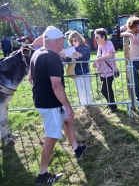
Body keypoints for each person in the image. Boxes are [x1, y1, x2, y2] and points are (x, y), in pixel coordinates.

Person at [28, 26, 87, 185]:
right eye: (61, 41)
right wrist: (68, 106)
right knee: (51, 138)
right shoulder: (52, 57)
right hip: (51, 103)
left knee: (68, 120)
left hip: (42, 100)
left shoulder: (37, 53)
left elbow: (30, 79)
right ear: (55, 41)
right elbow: (56, 86)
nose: (63, 44)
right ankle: (42, 175)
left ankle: (77, 149)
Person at [61, 31, 92, 106]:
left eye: (75, 40)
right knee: (80, 91)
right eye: (71, 41)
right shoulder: (69, 48)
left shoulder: (86, 47)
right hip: (75, 72)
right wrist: (64, 57)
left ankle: (89, 105)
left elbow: (87, 58)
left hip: (85, 71)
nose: (73, 42)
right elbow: (68, 60)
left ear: (79, 39)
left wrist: (80, 55)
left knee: (86, 90)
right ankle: (84, 105)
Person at [93, 28, 118, 113]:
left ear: (103, 37)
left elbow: (110, 55)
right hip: (102, 72)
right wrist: (96, 63)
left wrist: (98, 60)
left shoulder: (109, 43)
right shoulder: (99, 46)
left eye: (97, 37)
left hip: (109, 71)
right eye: (95, 37)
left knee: (104, 90)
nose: (96, 39)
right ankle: (111, 105)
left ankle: (112, 105)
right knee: (108, 89)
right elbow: (98, 57)